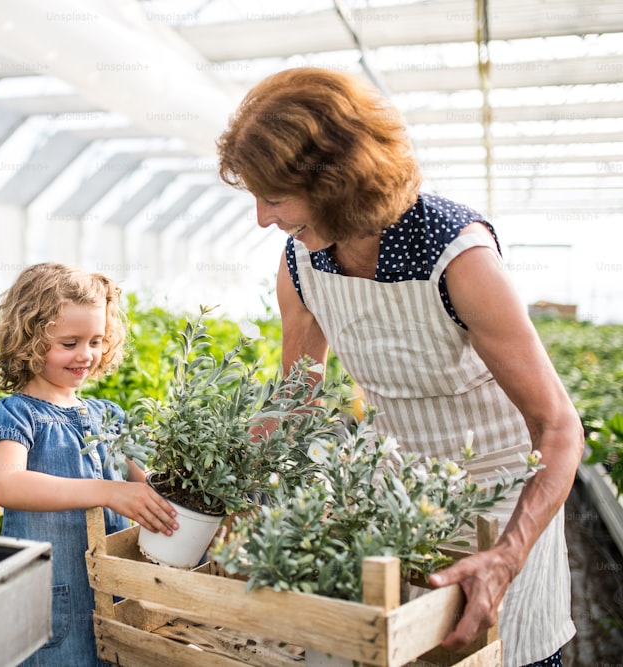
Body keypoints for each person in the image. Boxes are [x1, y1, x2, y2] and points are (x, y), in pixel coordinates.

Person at [217, 67, 583, 667]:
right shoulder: (302, 265)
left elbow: (559, 429)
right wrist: (223, 475)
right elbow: (295, 404)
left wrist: (507, 556)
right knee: (406, 650)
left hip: (501, 503)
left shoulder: (457, 257)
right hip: (396, 499)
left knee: (504, 650)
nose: (261, 217)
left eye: (274, 197)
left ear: (336, 181)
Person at [0, 262, 178, 667]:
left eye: (96, 340)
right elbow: (7, 485)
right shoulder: (19, 414)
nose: (86, 355)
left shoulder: (110, 415)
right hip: (56, 596)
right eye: (69, 343)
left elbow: (153, 484)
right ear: (29, 341)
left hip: (114, 594)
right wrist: (107, 491)